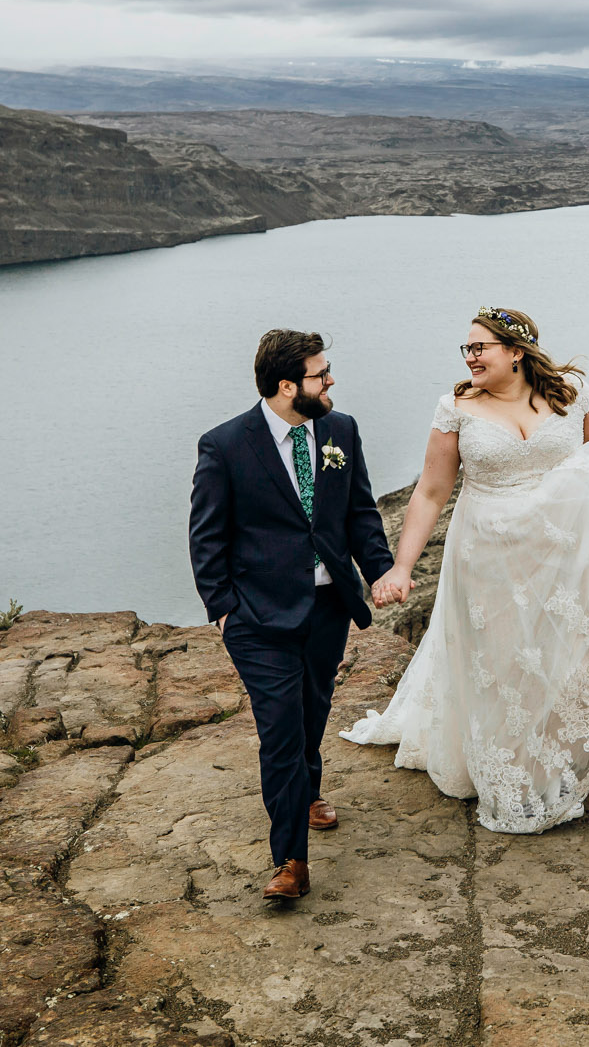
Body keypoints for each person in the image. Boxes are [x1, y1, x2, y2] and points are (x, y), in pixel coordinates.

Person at [343, 308, 589, 833]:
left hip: (564, 551)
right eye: (465, 349)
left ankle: (556, 764)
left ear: (516, 352)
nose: (469, 357)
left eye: (479, 347)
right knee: (505, 661)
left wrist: (588, 487)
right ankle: (507, 774)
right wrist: (401, 567)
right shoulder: (457, 409)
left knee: (567, 651)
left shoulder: (569, 391)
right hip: (488, 554)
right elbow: (430, 491)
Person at [188, 329, 404, 903]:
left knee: (312, 709)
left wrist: (380, 570)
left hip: (329, 606)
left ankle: (306, 791)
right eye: (320, 373)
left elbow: (359, 511)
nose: (330, 380)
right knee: (280, 730)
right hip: (258, 618)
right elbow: (206, 539)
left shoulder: (341, 430)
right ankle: (290, 861)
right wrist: (225, 612)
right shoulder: (226, 446)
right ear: (287, 386)